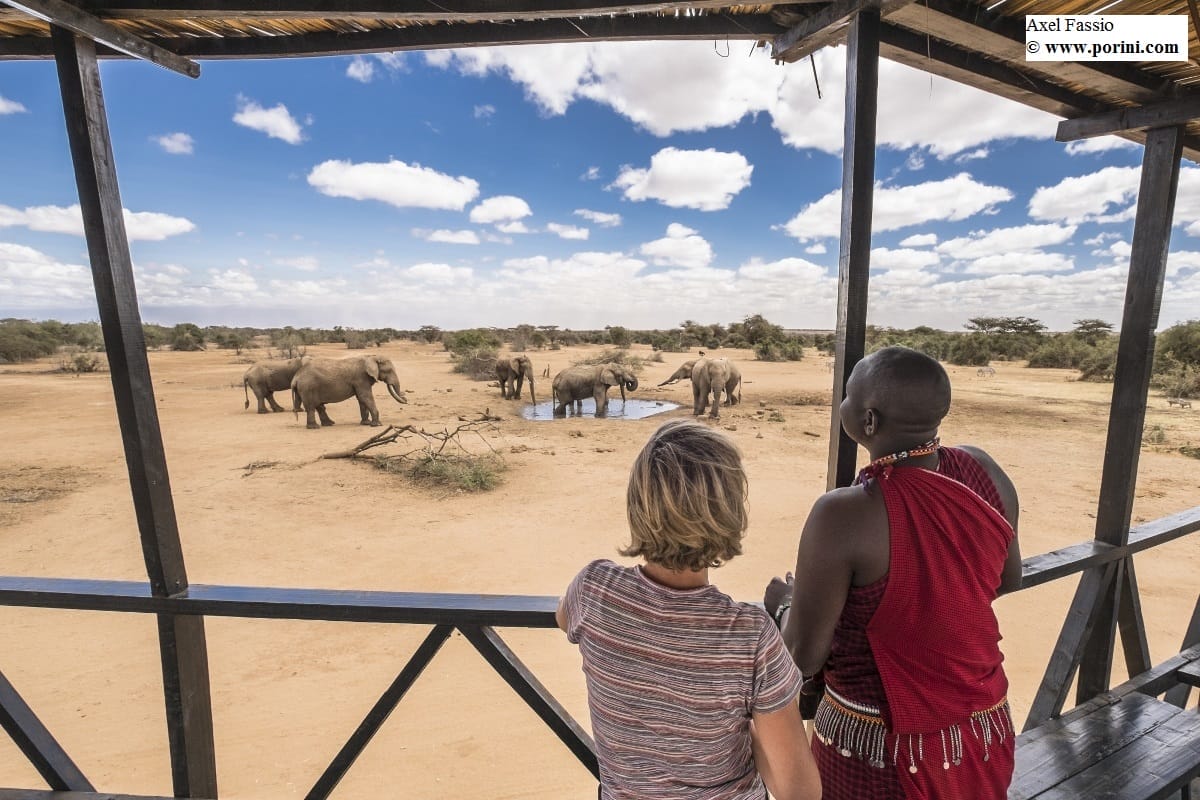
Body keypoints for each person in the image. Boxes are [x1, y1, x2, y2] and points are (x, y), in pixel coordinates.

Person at [764, 346, 1021, 800]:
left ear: (868, 421)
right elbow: (1007, 579)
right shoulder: (984, 470)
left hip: (879, 752)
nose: (841, 404)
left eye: (846, 397)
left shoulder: (842, 513)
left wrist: (785, 603)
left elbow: (802, 655)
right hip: (981, 732)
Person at [557, 419, 822, 800]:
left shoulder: (593, 587)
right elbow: (798, 791)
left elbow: (563, 617)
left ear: (638, 504)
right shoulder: (749, 636)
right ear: (729, 513)